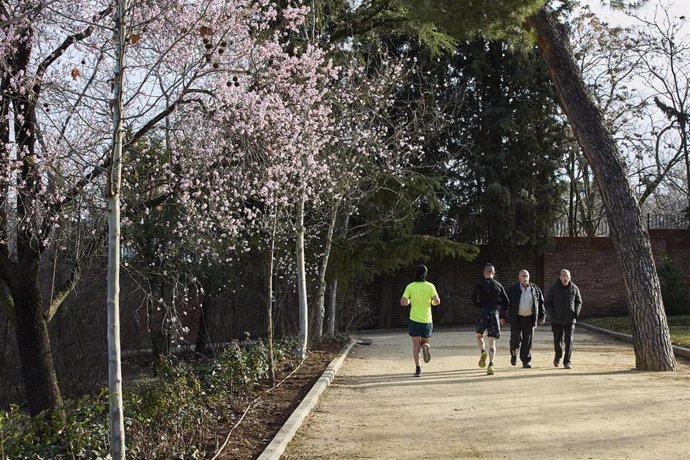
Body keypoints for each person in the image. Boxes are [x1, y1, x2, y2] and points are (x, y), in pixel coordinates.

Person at [401, 264, 441, 377]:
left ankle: (418, 369)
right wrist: (431, 303)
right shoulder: (430, 286)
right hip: (427, 320)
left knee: (415, 346)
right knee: (424, 342)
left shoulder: (410, 286)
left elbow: (403, 302)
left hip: (414, 319)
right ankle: (426, 347)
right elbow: (437, 301)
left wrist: (409, 301)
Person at [500, 270, 545, 369]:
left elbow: (541, 303)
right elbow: (505, 303)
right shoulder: (513, 289)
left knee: (527, 341)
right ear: (519, 278)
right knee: (515, 338)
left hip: (530, 318)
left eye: (527, 276)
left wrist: (542, 316)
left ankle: (525, 361)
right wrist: (502, 316)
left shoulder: (535, 289)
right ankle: (514, 353)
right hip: (516, 318)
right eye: (523, 276)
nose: (525, 278)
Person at [471, 263, 509, 375]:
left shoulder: (479, 284)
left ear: (484, 273)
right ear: (494, 273)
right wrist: (500, 310)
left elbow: (473, 297)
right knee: (492, 342)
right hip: (494, 313)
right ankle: (491, 365)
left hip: (483, 312)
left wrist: (478, 305)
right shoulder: (498, 285)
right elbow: (506, 301)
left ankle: (483, 351)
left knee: (479, 335)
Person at [545, 269, 582, 369]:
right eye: (564, 276)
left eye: (568, 276)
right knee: (557, 341)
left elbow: (579, 302)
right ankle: (558, 356)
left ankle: (567, 362)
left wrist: (576, 313)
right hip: (557, 320)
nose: (566, 278)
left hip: (570, 320)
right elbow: (547, 303)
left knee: (569, 341)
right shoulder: (553, 288)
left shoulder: (574, 288)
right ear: (560, 277)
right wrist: (553, 313)